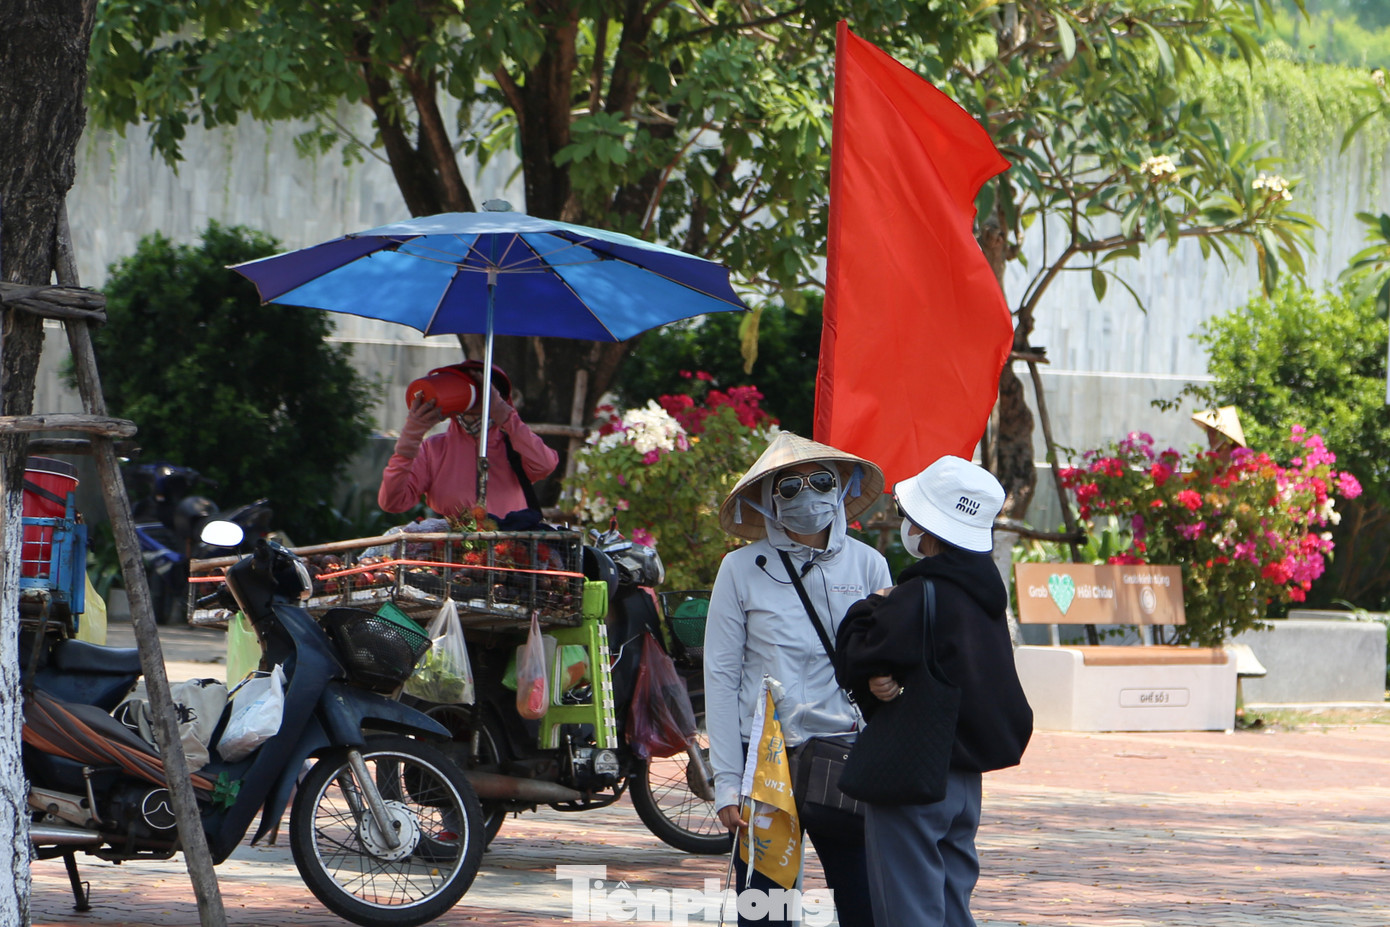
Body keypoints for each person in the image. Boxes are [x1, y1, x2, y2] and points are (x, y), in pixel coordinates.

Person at [834, 455, 1033, 927]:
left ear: (928, 529)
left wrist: (871, 604)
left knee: (908, 911)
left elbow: (855, 654)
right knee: (950, 909)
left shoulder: (920, 594)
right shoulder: (984, 597)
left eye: (909, 517)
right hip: (965, 782)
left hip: (913, 775)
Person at [704, 431, 890, 927]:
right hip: (764, 765)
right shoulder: (739, 570)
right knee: (765, 910)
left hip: (843, 756)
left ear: (841, 487)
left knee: (864, 900)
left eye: (820, 480)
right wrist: (726, 782)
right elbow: (719, 677)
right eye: (789, 486)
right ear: (768, 499)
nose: (807, 494)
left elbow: (885, 659)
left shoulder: (869, 565)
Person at [378, 361, 559, 523]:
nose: (479, 402)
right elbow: (392, 502)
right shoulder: (434, 449)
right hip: (449, 552)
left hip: (510, 550)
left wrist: (507, 417)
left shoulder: (514, 445)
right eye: (475, 391)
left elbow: (545, 465)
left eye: (487, 392)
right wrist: (410, 437)